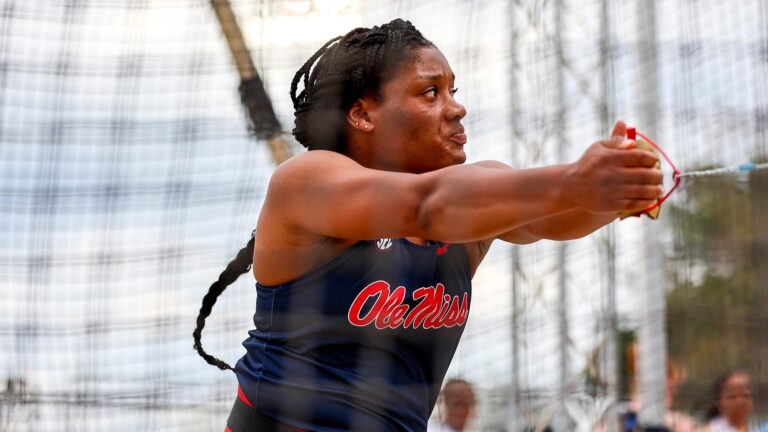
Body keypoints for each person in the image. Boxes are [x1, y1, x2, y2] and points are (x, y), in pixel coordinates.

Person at [192, 18, 664, 432]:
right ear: (362, 113)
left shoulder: (477, 194)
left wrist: (623, 190)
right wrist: (578, 181)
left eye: (453, 91)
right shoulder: (307, 180)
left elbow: (557, 218)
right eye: (430, 92)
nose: (456, 108)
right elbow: (426, 207)